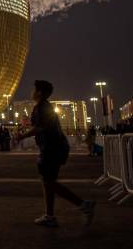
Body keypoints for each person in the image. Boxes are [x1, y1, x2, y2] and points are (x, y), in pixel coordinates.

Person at [17, 80, 95, 227]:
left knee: (49, 182)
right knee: (47, 182)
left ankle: (84, 205)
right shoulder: (44, 107)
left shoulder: (42, 107)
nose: (32, 92)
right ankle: (50, 215)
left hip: (52, 148)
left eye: (34, 89)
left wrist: (22, 136)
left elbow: (40, 128)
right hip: (52, 147)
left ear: (39, 92)